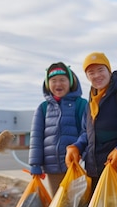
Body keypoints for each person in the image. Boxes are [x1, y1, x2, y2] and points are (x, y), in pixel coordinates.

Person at [65, 52, 117, 197]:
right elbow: (86, 133)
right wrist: (76, 146)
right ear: (87, 76)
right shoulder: (91, 101)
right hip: (95, 173)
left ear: (109, 70)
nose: (97, 76)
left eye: (101, 70)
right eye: (91, 72)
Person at [29, 62, 87, 197]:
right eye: (53, 81)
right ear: (48, 84)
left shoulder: (81, 104)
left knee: (76, 206)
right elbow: (36, 138)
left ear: (71, 82)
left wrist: (82, 154)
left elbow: (86, 132)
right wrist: (35, 164)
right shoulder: (43, 108)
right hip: (52, 169)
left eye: (62, 80)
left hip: (75, 166)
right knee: (57, 205)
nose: (58, 84)